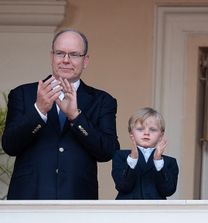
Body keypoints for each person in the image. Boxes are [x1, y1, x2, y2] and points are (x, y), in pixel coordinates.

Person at [1, 29, 120, 199]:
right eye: (60, 53)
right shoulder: (22, 94)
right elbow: (10, 145)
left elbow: (108, 151)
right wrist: (39, 110)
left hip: (78, 200)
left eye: (74, 54)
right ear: (52, 56)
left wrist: (76, 117)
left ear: (85, 60)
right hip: (29, 199)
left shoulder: (102, 100)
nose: (66, 60)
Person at [111, 107, 179, 199]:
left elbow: (168, 190)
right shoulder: (121, 156)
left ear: (161, 135)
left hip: (155, 212)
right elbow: (123, 187)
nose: (146, 133)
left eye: (153, 129)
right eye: (140, 129)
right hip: (127, 211)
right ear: (131, 133)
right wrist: (133, 159)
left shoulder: (169, 162)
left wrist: (158, 161)